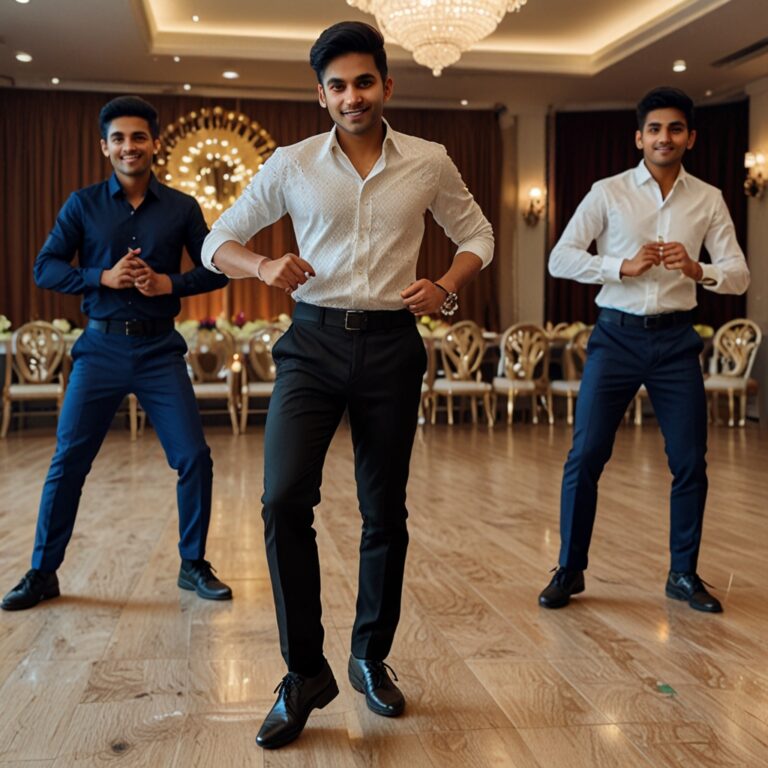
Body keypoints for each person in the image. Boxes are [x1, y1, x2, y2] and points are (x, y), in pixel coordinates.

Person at [202, 21, 494, 749]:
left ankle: (369, 655)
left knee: (383, 510)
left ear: (386, 85)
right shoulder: (294, 164)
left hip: (394, 346)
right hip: (313, 344)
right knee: (281, 498)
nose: (352, 96)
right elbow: (216, 241)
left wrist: (448, 287)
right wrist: (265, 268)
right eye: (337, 85)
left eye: (364, 81)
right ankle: (304, 672)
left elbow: (478, 235)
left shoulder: (427, 161)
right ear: (321, 95)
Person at [1, 96, 233, 612]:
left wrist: (168, 282)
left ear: (155, 143)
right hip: (100, 347)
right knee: (68, 462)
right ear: (105, 146)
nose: (130, 147)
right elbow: (45, 267)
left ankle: (192, 563)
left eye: (139, 137)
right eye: (119, 138)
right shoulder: (81, 205)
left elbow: (215, 267)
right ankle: (43, 572)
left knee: (194, 457)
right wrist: (98, 277)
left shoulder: (182, 208)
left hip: (158, 350)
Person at [539, 86, 749, 614]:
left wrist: (698, 269)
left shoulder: (709, 199)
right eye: (654, 129)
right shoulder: (607, 192)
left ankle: (683, 574)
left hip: (678, 341)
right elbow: (560, 259)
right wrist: (619, 267)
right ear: (639, 137)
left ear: (690, 138)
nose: (664, 137)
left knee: (689, 462)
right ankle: (570, 568)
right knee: (585, 454)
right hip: (615, 335)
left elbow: (740, 276)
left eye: (675, 128)